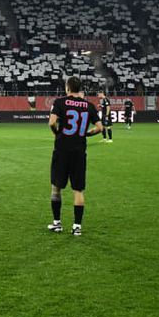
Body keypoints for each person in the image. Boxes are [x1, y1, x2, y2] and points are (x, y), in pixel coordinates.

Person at [47, 76, 102, 236]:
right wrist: (85, 134)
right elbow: (99, 128)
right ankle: (77, 226)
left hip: (62, 150)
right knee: (78, 190)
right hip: (79, 151)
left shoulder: (60, 102)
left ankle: (57, 223)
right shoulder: (89, 106)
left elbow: (51, 122)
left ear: (67, 88)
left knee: (56, 187)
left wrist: (57, 133)